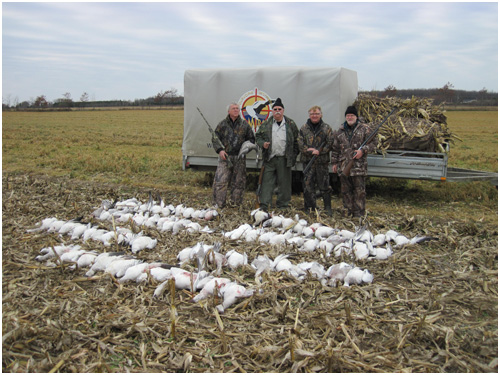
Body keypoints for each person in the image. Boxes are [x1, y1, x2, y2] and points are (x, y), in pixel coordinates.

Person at [331, 105, 375, 218]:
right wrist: (334, 163)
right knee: (346, 192)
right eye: (348, 115)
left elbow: (374, 144)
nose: (350, 117)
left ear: (356, 116)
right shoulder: (340, 131)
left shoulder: (365, 129)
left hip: (359, 167)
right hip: (344, 166)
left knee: (359, 192)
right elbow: (335, 148)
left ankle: (359, 215)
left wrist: (363, 151)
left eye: (352, 115)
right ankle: (348, 213)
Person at [255, 98, 299, 211]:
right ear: (272, 111)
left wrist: (293, 156)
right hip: (270, 158)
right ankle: (265, 205)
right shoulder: (266, 124)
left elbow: (297, 141)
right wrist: (262, 144)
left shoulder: (290, 124)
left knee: (284, 183)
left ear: (283, 110)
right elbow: (258, 137)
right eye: (275, 109)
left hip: (284, 159)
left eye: (279, 109)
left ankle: (283, 206)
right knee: (267, 183)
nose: (277, 111)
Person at [212, 102, 256, 208]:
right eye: (233, 108)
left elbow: (251, 139)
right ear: (229, 111)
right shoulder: (222, 124)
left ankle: (235, 205)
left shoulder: (245, 125)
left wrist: (245, 150)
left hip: (239, 158)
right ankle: (219, 205)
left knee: (238, 182)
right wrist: (220, 151)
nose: (236, 110)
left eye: (237, 108)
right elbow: (215, 139)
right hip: (225, 157)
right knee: (220, 181)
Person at [298, 105, 334, 215]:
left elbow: (330, 143)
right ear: (309, 115)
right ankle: (310, 208)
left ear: (321, 115)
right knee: (308, 186)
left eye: (317, 114)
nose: (314, 116)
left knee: (324, 185)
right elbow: (300, 143)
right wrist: (309, 150)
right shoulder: (304, 128)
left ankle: (327, 208)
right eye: (312, 114)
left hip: (322, 162)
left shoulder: (327, 128)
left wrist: (320, 151)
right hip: (308, 161)